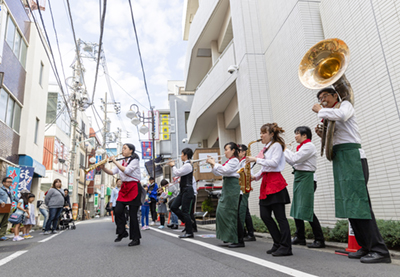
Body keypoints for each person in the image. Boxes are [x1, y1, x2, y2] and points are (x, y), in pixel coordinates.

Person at [312, 88, 391, 263]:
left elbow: (342, 116)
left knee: (360, 204)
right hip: (341, 159)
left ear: (335, 96)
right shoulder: (329, 115)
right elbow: (334, 138)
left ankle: (380, 250)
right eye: (319, 98)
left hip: (353, 158)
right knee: (350, 206)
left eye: (325, 96)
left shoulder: (345, 105)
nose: (322, 99)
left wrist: (320, 110)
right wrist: (323, 134)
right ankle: (365, 246)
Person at [247, 123, 292, 256]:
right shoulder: (266, 148)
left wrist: (256, 159)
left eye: (264, 133)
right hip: (267, 182)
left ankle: (286, 247)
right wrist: (254, 177)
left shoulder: (276, 145)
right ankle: (277, 243)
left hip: (275, 182)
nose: (261, 136)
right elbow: (265, 168)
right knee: (265, 216)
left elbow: (274, 163)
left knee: (280, 218)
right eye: (261, 133)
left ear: (271, 134)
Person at [284, 126, 325, 248]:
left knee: (306, 209)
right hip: (299, 178)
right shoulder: (301, 147)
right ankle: (300, 237)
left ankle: (320, 239)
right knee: (297, 208)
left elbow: (294, 158)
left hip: (307, 179)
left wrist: (285, 149)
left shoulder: (309, 146)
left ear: (305, 135)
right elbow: (294, 162)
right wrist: (285, 152)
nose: (295, 136)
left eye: (297, 133)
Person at [101, 143, 142, 247]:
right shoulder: (122, 161)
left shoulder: (135, 161)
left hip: (134, 187)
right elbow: (112, 172)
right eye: (122, 148)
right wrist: (103, 168)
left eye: (125, 148)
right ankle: (122, 232)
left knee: (133, 215)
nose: (122, 150)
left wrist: (114, 161)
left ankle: (135, 238)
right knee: (118, 210)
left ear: (131, 151)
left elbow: (127, 171)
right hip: (124, 188)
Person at [207, 142, 244, 248]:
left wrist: (214, 163)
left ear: (233, 150)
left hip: (233, 190)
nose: (224, 152)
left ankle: (238, 240)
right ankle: (228, 237)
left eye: (226, 149)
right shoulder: (229, 161)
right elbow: (218, 173)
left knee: (232, 214)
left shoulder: (235, 160)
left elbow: (225, 170)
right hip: (228, 190)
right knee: (223, 212)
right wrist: (212, 165)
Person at [169, 148, 195, 239]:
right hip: (183, 190)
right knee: (173, 206)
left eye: (182, 154)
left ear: (185, 155)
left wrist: (173, 166)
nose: (180, 156)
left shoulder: (187, 165)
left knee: (185, 210)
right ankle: (188, 221)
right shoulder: (186, 165)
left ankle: (189, 232)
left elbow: (177, 172)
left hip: (187, 190)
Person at [238, 144, 256, 242]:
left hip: (244, 188)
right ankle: (245, 232)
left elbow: (251, 175)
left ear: (244, 152)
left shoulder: (246, 161)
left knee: (244, 212)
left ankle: (250, 234)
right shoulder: (240, 161)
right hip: (241, 188)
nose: (238, 152)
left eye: (239, 150)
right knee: (243, 211)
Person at [0, 177, 19, 241]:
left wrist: (21, 201)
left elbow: (14, 198)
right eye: (8, 182)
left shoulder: (11, 191)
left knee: (5, 222)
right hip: (1, 207)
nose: (10, 183)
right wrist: (1, 201)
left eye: (11, 182)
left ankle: (2, 235)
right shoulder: (0, 189)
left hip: (8, 207)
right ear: (3, 182)